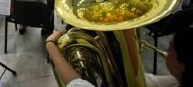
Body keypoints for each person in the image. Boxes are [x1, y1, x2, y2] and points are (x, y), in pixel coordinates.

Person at [46, 28, 193, 87]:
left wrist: (51, 45)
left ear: (183, 65)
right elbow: (146, 81)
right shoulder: (177, 81)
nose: (167, 48)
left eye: (171, 47)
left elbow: (78, 85)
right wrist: (115, 65)